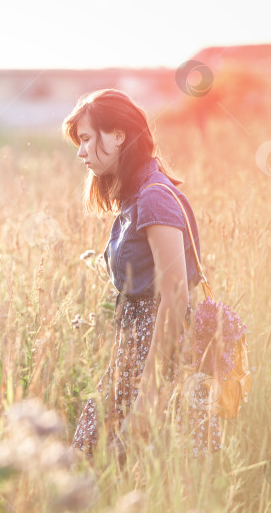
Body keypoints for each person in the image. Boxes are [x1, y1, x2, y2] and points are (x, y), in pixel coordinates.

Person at [62, 89, 221, 458]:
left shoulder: (153, 196)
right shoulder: (135, 197)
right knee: (96, 455)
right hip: (135, 348)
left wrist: (148, 393)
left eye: (86, 139)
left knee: (146, 465)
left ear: (118, 135)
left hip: (160, 350)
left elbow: (176, 295)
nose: (80, 151)